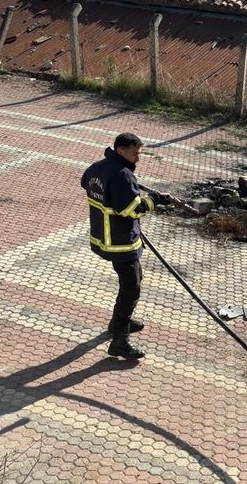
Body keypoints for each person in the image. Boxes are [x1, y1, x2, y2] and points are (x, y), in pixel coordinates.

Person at [80, 133, 167, 359]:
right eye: (134, 153)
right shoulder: (122, 175)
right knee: (131, 289)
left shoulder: (97, 168)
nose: (137, 158)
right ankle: (120, 339)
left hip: (102, 237)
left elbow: (85, 183)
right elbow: (131, 209)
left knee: (133, 278)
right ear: (120, 151)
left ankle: (120, 321)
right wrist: (153, 201)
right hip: (120, 243)